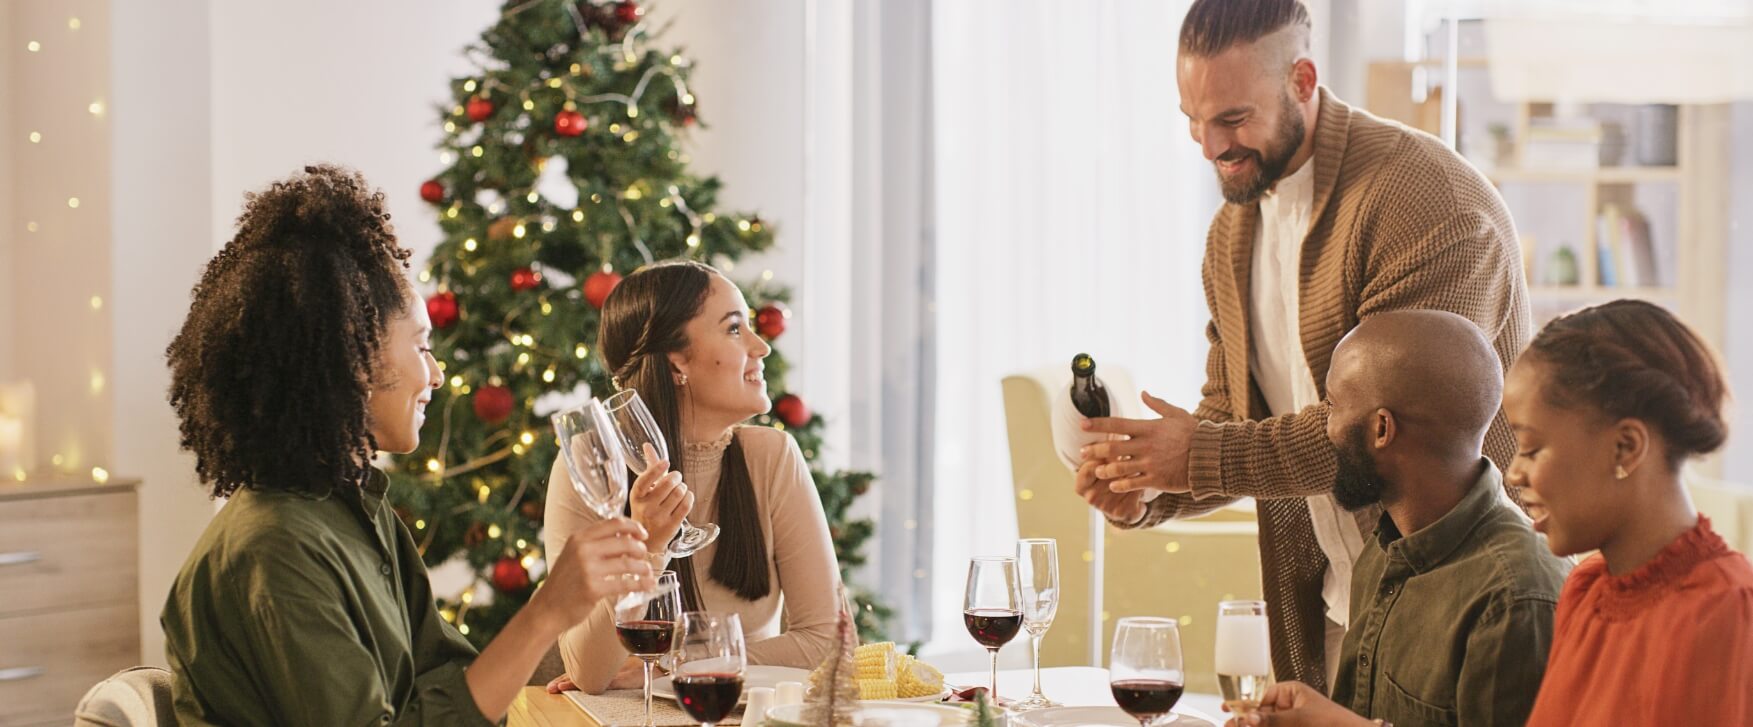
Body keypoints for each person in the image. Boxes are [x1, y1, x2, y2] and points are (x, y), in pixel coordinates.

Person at [1075, 0, 1529, 689]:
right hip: (1338, 611)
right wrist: (1150, 489)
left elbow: (1385, 433)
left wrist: (1196, 453)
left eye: (1232, 119)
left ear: (1303, 79)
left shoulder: (1426, 201)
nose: (1210, 147)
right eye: (1193, 121)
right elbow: (1236, 417)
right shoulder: (1232, 233)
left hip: (1466, 608)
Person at [159, 164, 656, 725]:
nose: (437, 375)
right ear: (352, 360)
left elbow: (447, 679)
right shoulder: (275, 551)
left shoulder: (349, 507)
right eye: (421, 347)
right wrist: (546, 611)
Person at [1232, 300, 1753, 726]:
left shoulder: (1723, 612)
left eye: (1531, 447)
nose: (1516, 474)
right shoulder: (1590, 588)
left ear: (1625, 448)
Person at [544, 260, 843, 694]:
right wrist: (647, 548)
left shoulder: (772, 456)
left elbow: (827, 641)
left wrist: (676, 665)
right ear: (676, 361)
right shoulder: (593, 470)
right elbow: (590, 673)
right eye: (735, 329)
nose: (762, 347)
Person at [1321, 311, 1565, 725]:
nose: (1327, 428)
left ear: (1383, 429)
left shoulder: (1516, 596)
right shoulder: (1384, 549)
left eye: (1332, 405)